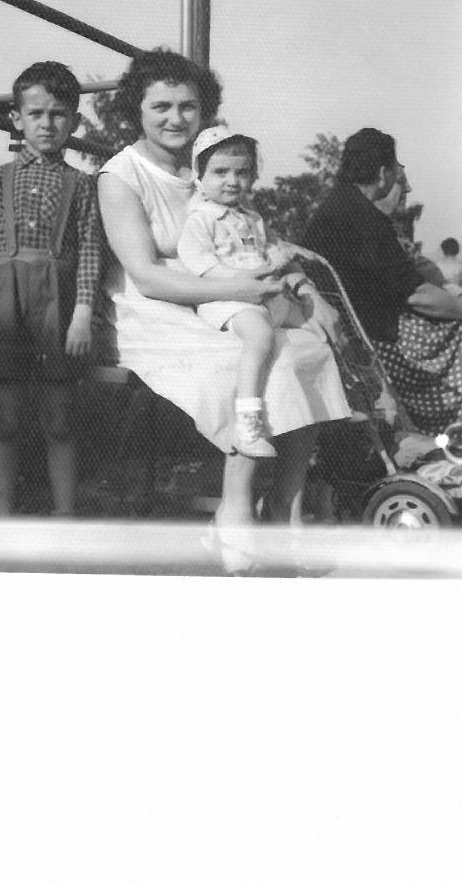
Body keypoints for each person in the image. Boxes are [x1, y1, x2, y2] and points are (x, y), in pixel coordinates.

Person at [97, 49, 351, 571]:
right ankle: (235, 509)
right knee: (245, 360)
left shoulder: (213, 166)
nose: (175, 118)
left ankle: (285, 503)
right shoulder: (121, 175)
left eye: (187, 106)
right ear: (136, 109)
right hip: (155, 306)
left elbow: (262, 243)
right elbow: (146, 275)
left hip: (225, 294)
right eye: (161, 106)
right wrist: (239, 288)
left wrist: (307, 290)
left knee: (306, 348)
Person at [0, 61, 102, 515]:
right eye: (36, 113)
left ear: (74, 121)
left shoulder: (81, 185)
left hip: (57, 305)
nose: (47, 124)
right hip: (4, 303)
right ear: (17, 118)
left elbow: (90, 250)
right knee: (5, 419)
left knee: (59, 421)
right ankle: (5, 519)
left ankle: (64, 519)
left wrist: (82, 314)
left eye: (58, 114)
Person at [304, 128, 462, 435]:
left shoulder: (334, 207)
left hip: (348, 334)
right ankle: (458, 433)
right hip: (382, 341)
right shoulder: (366, 219)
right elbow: (417, 295)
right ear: (382, 173)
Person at [178, 125, 321, 459]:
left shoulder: (252, 218)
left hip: (265, 295)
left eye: (241, 173)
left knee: (315, 324)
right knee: (260, 336)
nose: (232, 181)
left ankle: (332, 395)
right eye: (220, 172)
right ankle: (247, 422)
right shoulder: (201, 219)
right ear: (200, 176)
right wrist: (246, 279)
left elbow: (266, 250)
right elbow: (203, 265)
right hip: (227, 299)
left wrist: (281, 258)